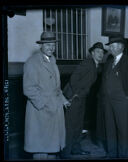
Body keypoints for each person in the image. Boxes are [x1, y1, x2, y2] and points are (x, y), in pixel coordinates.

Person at [23, 31, 71, 160]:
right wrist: (45, 104)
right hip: (40, 113)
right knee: (41, 149)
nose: (51, 48)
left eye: (53, 45)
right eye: (48, 45)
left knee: (52, 148)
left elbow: (56, 88)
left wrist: (63, 100)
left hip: (54, 111)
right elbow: (28, 89)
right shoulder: (32, 62)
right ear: (41, 46)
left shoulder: (52, 61)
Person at [61, 42, 107, 158]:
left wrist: (80, 95)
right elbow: (74, 78)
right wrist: (76, 94)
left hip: (81, 97)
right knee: (71, 126)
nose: (100, 54)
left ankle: (75, 149)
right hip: (74, 97)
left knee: (78, 125)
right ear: (92, 53)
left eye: (102, 52)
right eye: (98, 51)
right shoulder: (87, 63)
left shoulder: (95, 65)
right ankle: (65, 153)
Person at [101, 36, 128, 158]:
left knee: (122, 130)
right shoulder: (108, 62)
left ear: (121, 47)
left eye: (113, 46)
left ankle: (124, 155)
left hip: (121, 101)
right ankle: (111, 154)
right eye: (110, 46)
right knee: (110, 128)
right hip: (108, 101)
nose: (110, 49)